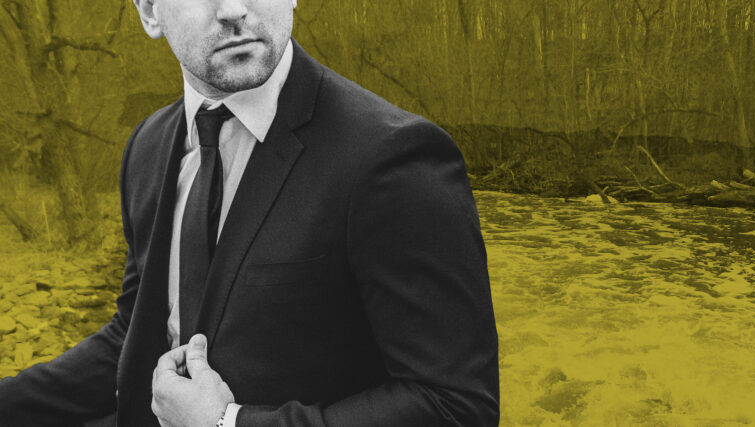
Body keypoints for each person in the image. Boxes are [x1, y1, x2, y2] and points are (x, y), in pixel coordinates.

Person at [0, 0, 500, 425]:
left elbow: (455, 404)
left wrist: (227, 423)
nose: (235, 9)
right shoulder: (149, 147)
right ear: (150, 12)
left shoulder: (392, 157)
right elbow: (136, 337)